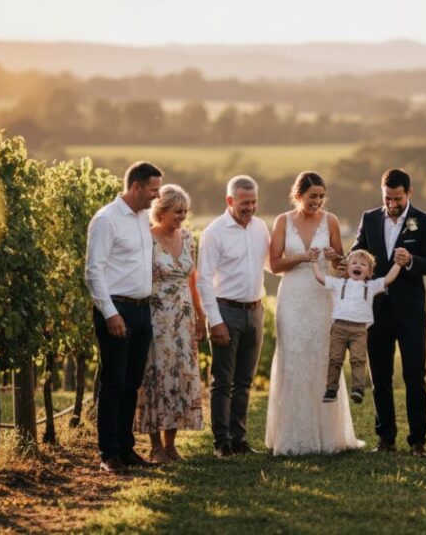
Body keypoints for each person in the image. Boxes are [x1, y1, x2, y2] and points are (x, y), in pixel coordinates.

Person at [264, 171, 363, 455]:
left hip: (322, 296)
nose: (317, 201)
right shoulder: (282, 221)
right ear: (298, 196)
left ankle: (329, 436)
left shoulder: (330, 220)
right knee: (293, 357)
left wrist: (336, 259)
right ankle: (292, 436)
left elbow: (342, 268)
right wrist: (302, 258)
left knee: (323, 358)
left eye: (321, 196)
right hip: (293, 296)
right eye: (312, 197)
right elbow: (275, 263)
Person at [352, 168, 426, 456]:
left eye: (397, 198)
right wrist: (348, 261)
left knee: (415, 376)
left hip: (411, 313)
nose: (392, 203)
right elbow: (358, 251)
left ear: (409, 193)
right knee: (380, 377)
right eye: (387, 198)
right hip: (377, 310)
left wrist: (412, 260)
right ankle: (385, 439)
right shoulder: (369, 218)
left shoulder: (425, 223)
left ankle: (418, 441)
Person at [85, 161, 163, 473]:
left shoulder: (142, 216)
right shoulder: (107, 220)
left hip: (142, 309)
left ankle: (126, 447)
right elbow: (93, 271)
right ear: (136, 187)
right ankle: (109, 454)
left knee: (132, 383)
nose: (156, 197)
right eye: (153, 191)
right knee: (114, 382)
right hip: (117, 309)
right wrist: (110, 313)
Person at [198, 175, 271, 458]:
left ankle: (239, 439)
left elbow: (270, 265)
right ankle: (221, 442)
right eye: (244, 203)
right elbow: (203, 280)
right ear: (230, 201)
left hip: (255, 310)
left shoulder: (261, 227)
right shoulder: (214, 232)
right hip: (225, 311)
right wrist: (214, 320)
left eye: (253, 202)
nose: (250, 208)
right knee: (223, 381)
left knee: (244, 381)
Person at [134, 184, 206, 463]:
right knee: (156, 376)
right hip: (156, 315)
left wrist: (200, 315)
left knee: (180, 375)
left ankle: (171, 444)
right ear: (161, 212)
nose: (182, 217)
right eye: (177, 212)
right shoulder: (146, 238)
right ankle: (154, 446)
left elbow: (192, 279)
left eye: (185, 212)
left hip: (184, 317)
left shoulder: (187, 237)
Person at [312, 249, 401, 404]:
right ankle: (331, 389)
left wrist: (398, 263)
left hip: (359, 330)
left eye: (362, 264)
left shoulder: (371, 286)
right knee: (335, 358)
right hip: (339, 327)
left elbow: (388, 278)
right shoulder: (339, 283)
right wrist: (314, 261)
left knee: (358, 359)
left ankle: (358, 389)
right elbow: (320, 278)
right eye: (354, 263)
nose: (357, 266)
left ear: (369, 271)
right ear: (347, 268)